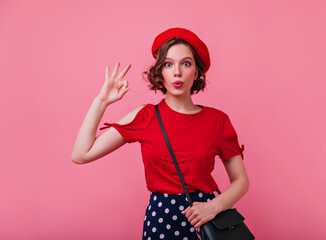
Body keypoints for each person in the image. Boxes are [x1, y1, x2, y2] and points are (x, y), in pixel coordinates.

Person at [71, 27, 250, 240]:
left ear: (196, 72)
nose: (177, 72)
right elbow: (81, 154)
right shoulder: (146, 116)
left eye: (186, 63)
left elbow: (241, 180)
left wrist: (213, 207)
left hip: (206, 221)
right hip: (161, 222)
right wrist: (100, 102)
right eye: (168, 64)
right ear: (160, 73)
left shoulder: (218, 120)